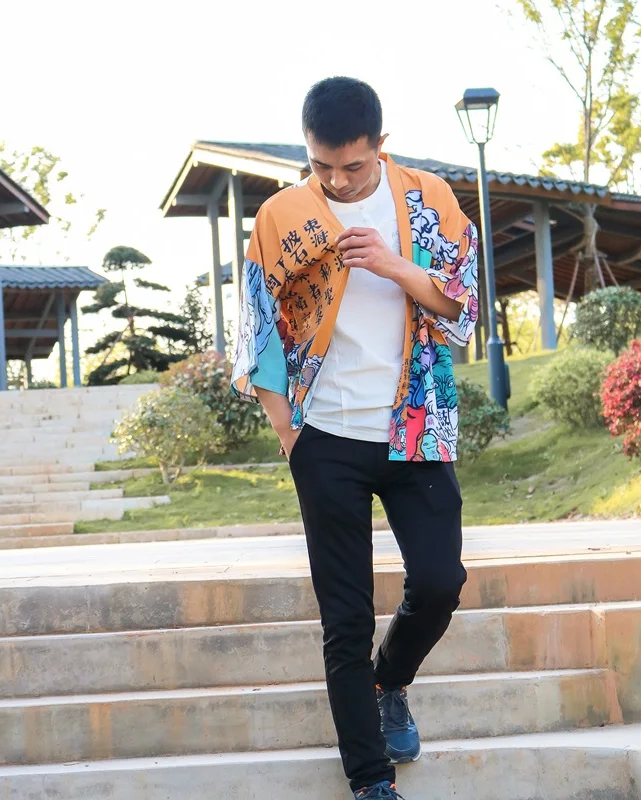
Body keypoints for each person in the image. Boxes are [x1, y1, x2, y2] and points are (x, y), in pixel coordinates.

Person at [231, 76, 479, 799]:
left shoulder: (428, 198)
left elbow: (462, 307)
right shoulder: (282, 215)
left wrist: (393, 264)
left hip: (414, 425)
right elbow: (256, 329)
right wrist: (288, 430)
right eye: (322, 166)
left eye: (353, 166)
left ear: (381, 145)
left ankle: (388, 680)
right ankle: (371, 781)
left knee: (440, 582)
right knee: (344, 620)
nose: (337, 181)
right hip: (327, 439)